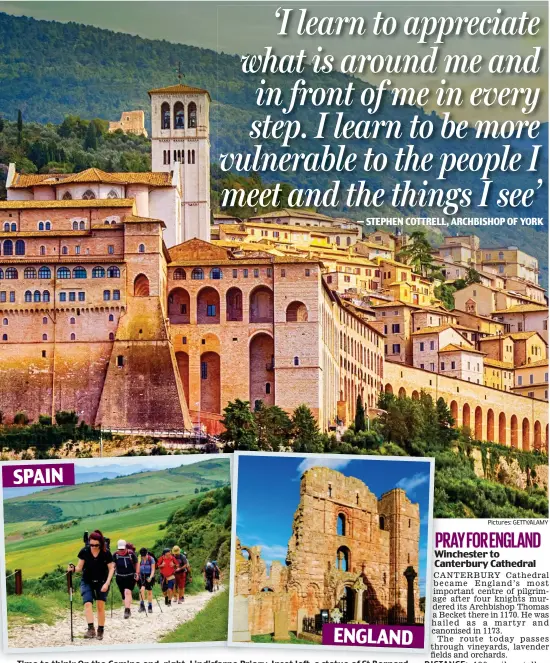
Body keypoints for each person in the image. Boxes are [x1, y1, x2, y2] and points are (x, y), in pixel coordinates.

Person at [68, 530, 114, 640]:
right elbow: (79, 568)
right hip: (87, 580)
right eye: (91, 544)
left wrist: (107, 583)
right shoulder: (84, 551)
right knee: (87, 603)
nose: (93, 547)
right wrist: (73, 569)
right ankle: (91, 629)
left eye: (96, 545)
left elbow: (111, 568)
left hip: (102, 581)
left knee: (100, 606)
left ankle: (100, 630)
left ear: (101, 544)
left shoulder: (106, 553)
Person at [113, 539, 139, 619]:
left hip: (130, 576)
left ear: (125, 547)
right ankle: (127, 608)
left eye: (123, 549)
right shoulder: (115, 555)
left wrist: (137, 573)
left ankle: (127, 610)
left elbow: (137, 563)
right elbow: (112, 564)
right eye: (120, 549)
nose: (121, 551)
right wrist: (111, 572)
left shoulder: (131, 553)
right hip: (119, 576)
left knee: (127, 591)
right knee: (123, 595)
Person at [137, 547, 156, 614]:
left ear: (147, 554)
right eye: (142, 556)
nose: (144, 557)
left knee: (149, 591)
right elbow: (138, 569)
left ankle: (150, 606)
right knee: (141, 590)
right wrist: (139, 562)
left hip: (149, 576)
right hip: (142, 576)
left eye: (144, 556)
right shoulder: (140, 559)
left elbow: (153, 569)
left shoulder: (151, 559)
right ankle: (142, 606)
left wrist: (150, 577)